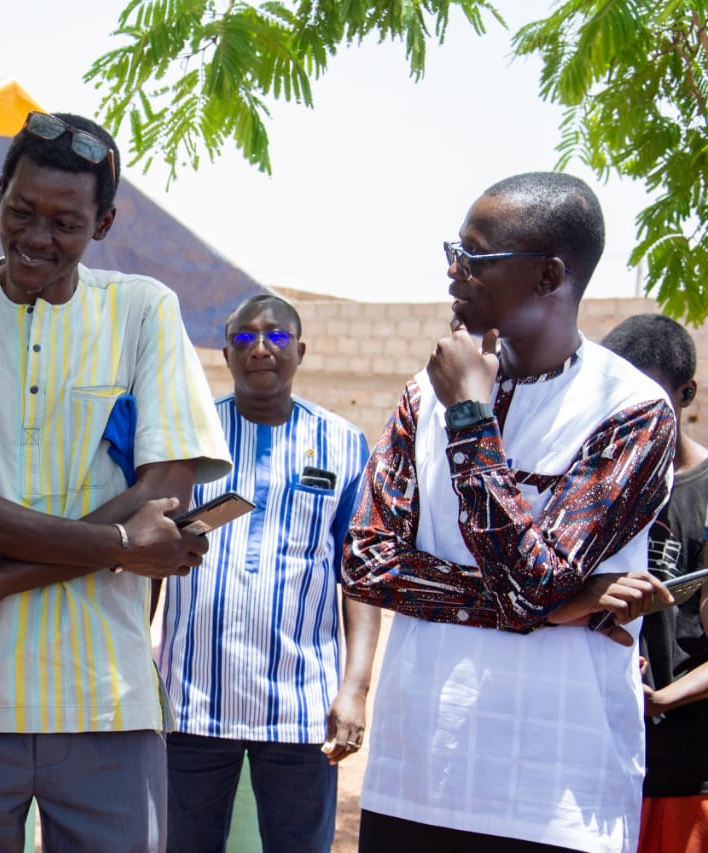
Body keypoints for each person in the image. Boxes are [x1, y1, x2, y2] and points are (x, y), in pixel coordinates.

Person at [0, 110, 232, 851]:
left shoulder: (143, 311)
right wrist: (120, 542)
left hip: (106, 695)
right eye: (21, 211)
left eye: (65, 223)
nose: (37, 237)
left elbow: (164, 494)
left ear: (104, 223)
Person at [343, 172, 677, 853]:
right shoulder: (422, 396)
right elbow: (366, 563)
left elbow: (530, 584)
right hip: (414, 774)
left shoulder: (633, 412)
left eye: (474, 256)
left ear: (549, 275)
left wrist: (471, 417)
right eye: (453, 252)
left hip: (555, 795)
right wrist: (559, 606)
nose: (453, 272)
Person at [157, 293, 381, 852]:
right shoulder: (190, 437)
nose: (261, 348)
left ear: (300, 351)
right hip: (191, 699)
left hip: (301, 706)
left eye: (277, 336)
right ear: (226, 354)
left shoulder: (342, 443)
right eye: (245, 337)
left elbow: (359, 576)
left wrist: (354, 690)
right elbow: (150, 560)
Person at [601, 314, 708, 853]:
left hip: (682, 777)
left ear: (686, 394)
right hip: (594, 770)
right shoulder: (593, 492)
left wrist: (659, 699)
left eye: (646, 395)